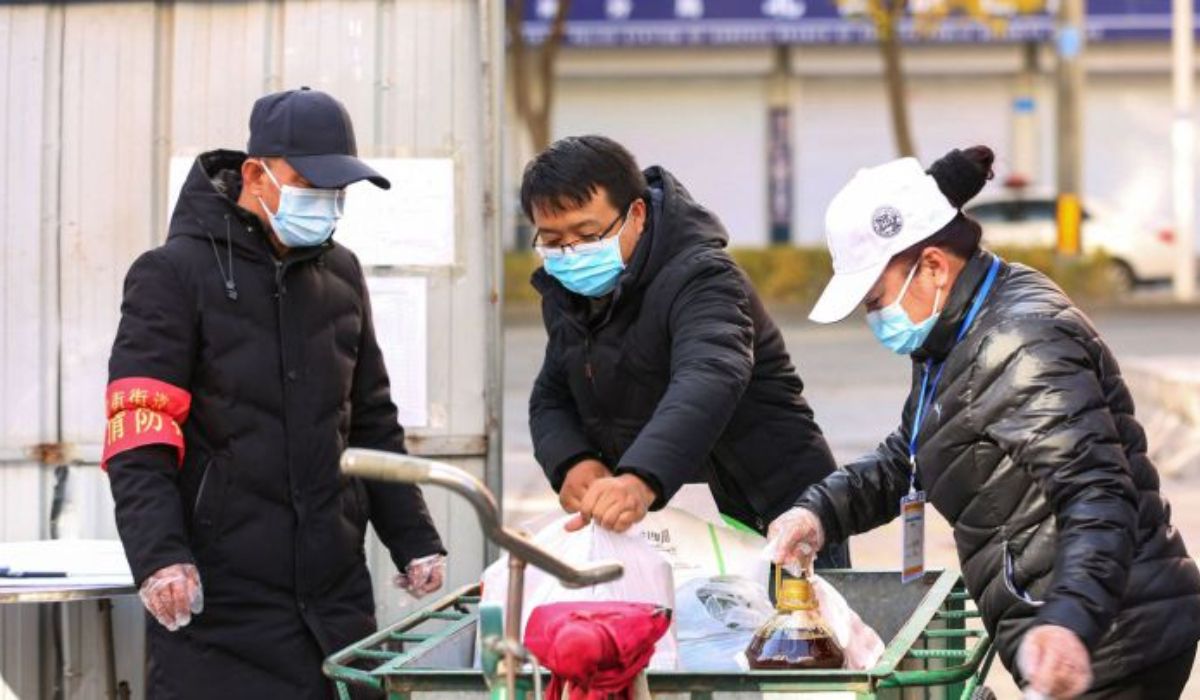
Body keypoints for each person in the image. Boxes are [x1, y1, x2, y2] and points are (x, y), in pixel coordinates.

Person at [768, 146, 1200, 698]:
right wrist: (820, 511)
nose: (875, 318)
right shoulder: (956, 333)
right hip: (1077, 628)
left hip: (1111, 640)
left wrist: (1071, 621)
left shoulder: (1017, 340)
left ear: (932, 266)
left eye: (875, 299)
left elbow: (1097, 490)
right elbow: (913, 453)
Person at [104, 87, 446, 699]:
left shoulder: (341, 273)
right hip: (221, 605)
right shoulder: (172, 274)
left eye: (338, 190)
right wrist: (160, 557)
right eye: (310, 185)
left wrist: (414, 538)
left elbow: (370, 420)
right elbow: (140, 431)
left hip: (335, 599)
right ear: (256, 175)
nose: (326, 204)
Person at [523, 134, 847, 566]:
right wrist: (572, 461)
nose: (571, 254)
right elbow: (552, 394)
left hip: (770, 517)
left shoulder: (703, 276)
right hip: (669, 533)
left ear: (637, 214)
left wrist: (640, 478)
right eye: (552, 241)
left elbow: (710, 374)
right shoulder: (568, 295)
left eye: (586, 234)